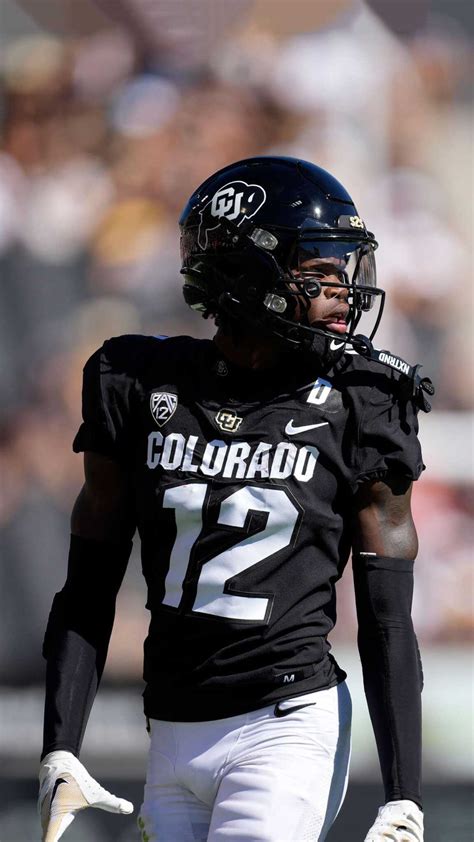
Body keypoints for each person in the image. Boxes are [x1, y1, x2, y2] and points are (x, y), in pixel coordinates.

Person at [39, 156, 433, 842]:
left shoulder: (363, 401)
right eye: (318, 272)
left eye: (345, 270)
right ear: (248, 275)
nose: (344, 292)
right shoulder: (139, 383)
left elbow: (387, 618)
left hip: (287, 723)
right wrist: (61, 745)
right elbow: (88, 585)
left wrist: (404, 795)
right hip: (169, 731)